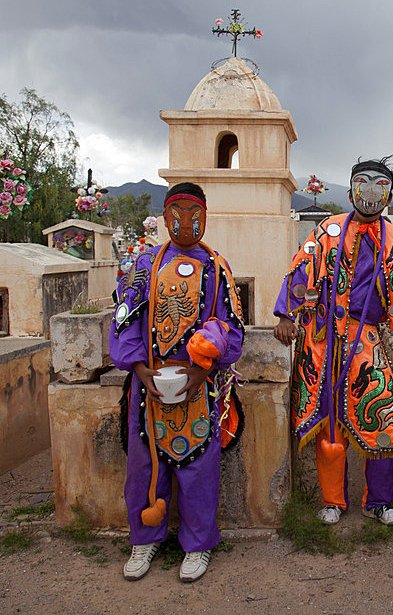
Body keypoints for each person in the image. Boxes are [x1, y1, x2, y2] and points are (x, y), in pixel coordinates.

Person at [273, 157, 393, 526]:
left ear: (389, 195)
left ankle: (378, 502)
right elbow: (303, 266)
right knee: (329, 424)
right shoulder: (328, 230)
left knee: (384, 413)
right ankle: (333, 501)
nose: (371, 191)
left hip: (366, 342)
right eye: (364, 183)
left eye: (380, 185)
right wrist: (286, 314)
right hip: (323, 339)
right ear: (350, 191)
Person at [110, 182, 244, 583]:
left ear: (205, 216)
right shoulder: (144, 266)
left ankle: (198, 545)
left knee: (199, 468)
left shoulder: (218, 268)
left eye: (194, 213)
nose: (186, 221)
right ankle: (144, 538)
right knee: (144, 465)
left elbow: (232, 328)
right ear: (166, 217)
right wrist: (138, 369)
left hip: (198, 387)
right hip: (149, 385)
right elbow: (124, 320)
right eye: (178, 212)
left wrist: (205, 366)